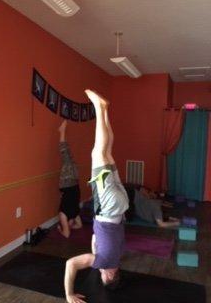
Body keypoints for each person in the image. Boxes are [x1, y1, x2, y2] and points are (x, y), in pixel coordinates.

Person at [64, 90, 129, 303]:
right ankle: (98, 108)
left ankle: (105, 110)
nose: (99, 271)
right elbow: (70, 264)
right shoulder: (102, 261)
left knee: (108, 153)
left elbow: (95, 239)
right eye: (102, 274)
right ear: (110, 274)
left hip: (121, 205)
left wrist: (95, 246)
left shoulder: (118, 255)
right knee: (98, 154)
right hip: (108, 206)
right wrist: (69, 294)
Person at [58, 120, 82, 238]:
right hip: (68, 184)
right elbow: (67, 234)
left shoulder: (75, 214)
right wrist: (61, 229)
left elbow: (79, 226)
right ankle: (62, 132)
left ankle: (62, 131)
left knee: (68, 157)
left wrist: (70, 225)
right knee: (66, 156)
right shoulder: (64, 214)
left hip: (74, 183)